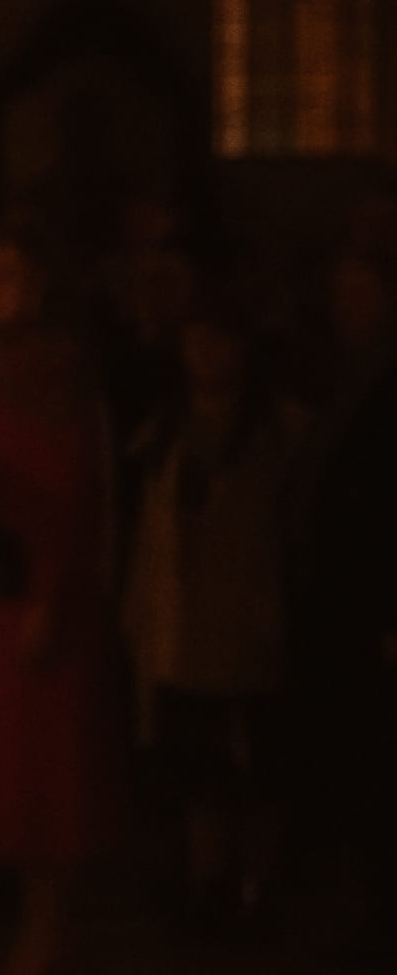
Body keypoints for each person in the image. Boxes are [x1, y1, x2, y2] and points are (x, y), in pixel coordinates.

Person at [0, 219, 127, 975]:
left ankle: (48, 937)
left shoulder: (51, 368)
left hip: (40, 598)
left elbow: (66, 489)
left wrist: (46, 591)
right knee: (13, 772)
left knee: (46, 774)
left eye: (11, 274)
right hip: (4, 595)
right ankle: (35, 931)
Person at [122, 302, 304, 931]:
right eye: (195, 342)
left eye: (218, 342)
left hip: (251, 626)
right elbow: (150, 533)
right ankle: (208, 882)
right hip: (184, 627)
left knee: (253, 765)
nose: (206, 355)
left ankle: (258, 884)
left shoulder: (280, 431)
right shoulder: (165, 430)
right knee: (197, 765)